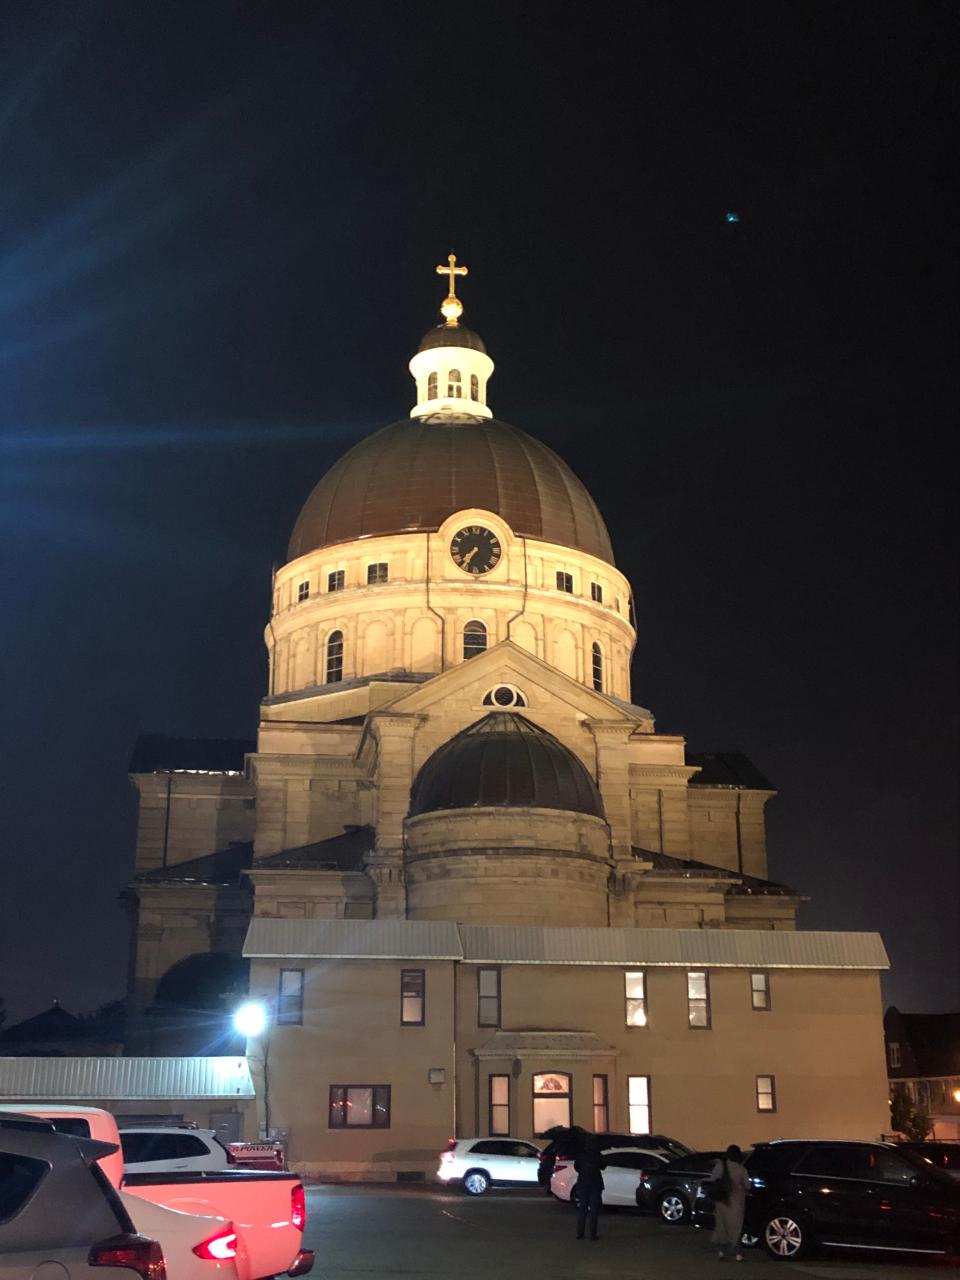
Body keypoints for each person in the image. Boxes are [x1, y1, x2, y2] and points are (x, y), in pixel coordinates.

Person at [710, 1144, 750, 1261]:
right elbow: (747, 1185)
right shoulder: (741, 1169)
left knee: (722, 1226)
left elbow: (713, 1180)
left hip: (721, 1201)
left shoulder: (719, 1166)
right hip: (736, 1202)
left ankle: (721, 1251)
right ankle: (738, 1253)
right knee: (736, 1228)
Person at [573, 1137, 606, 1241]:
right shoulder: (597, 1154)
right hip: (595, 1184)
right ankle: (593, 1234)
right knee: (594, 1210)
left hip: (583, 1183)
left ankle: (580, 1233)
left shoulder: (581, 1155)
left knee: (583, 1209)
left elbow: (577, 1167)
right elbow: (603, 1165)